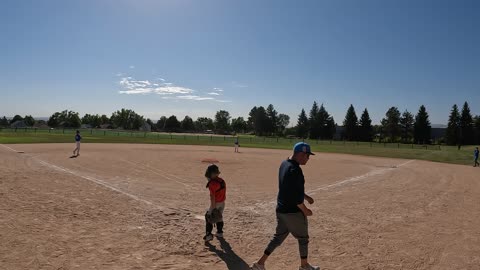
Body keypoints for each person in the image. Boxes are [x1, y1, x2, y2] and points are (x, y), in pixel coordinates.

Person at [251, 142, 320, 270]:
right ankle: (304, 266)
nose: (308, 159)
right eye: (307, 156)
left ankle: (259, 264)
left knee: (277, 238)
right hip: (293, 212)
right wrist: (306, 210)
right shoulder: (296, 170)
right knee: (303, 238)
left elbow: (289, 187)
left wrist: (306, 197)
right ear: (300, 154)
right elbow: (295, 197)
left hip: (281, 209)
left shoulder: (285, 164)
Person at [204, 164, 227, 242]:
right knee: (219, 217)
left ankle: (209, 235)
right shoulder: (221, 180)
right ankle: (219, 232)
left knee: (208, 216)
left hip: (216, 203)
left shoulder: (212, 184)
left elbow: (212, 197)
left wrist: (213, 208)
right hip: (222, 203)